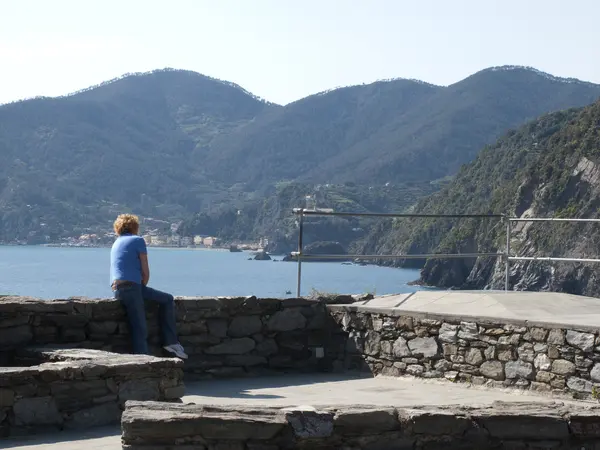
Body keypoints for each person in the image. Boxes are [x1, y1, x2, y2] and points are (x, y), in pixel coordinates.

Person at [110, 214, 187, 359]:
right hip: (133, 288)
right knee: (141, 327)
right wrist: (141, 286)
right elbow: (145, 272)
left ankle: (167, 345)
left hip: (118, 290)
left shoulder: (116, 243)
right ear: (135, 227)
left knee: (138, 325)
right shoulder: (138, 240)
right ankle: (152, 357)